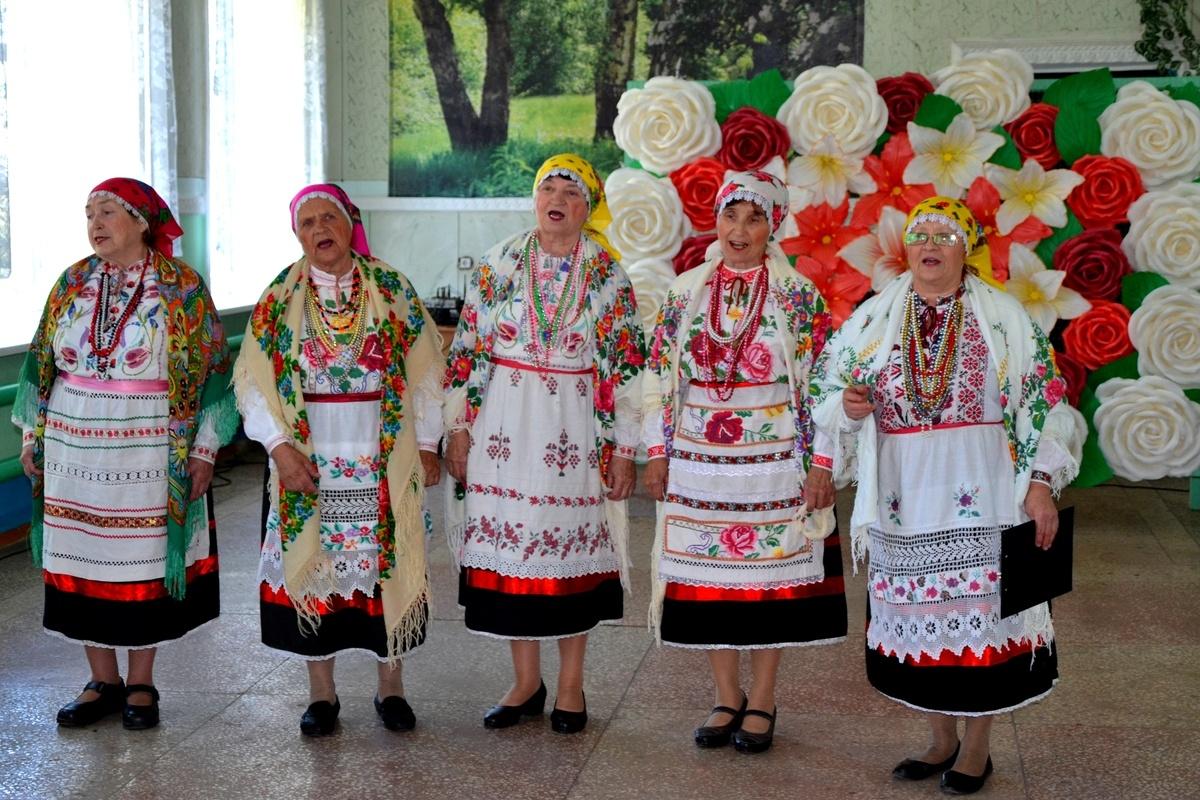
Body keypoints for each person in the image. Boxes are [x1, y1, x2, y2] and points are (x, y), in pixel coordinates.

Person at [809, 196, 1080, 794]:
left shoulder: (1005, 318)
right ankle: (940, 739)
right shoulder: (874, 318)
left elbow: (1047, 404)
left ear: (967, 249)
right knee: (918, 618)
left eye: (944, 235)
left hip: (984, 488)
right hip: (904, 495)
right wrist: (848, 410)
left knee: (983, 617)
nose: (929, 244)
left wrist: (1039, 485)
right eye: (919, 234)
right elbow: (825, 393)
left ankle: (977, 748)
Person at [13, 177, 235, 730]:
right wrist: (30, 435)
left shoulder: (181, 286)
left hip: (147, 447)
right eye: (89, 212)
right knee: (80, 557)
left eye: (108, 211)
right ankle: (100, 679)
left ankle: (140, 682)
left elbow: (213, 373)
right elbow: (40, 364)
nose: (95, 222)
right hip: (72, 447)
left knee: (141, 561)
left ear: (141, 220)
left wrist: (205, 449)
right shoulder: (71, 283)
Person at [641, 170, 848, 754]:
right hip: (699, 462)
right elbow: (657, 377)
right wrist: (656, 454)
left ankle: (763, 698)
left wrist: (821, 464)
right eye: (731, 215)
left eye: (754, 218)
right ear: (715, 220)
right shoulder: (685, 293)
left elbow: (826, 386)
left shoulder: (798, 296)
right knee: (711, 584)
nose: (740, 229)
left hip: (775, 461)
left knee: (767, 586)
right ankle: (725, 695)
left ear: (772, 226)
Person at [443, 154, 645, 734]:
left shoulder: (608, 273)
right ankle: (526, 683)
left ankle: (573, 686)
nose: (557, 198)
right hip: (503, 427)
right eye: (547, 188)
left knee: (568, 559)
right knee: (512, 560)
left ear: (588, 208)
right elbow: (469, 350)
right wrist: (457, 428)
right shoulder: (499, 262)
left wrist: (625, 447)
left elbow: (628, 367)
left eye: (571, 191)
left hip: (573, 429)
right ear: (535, 200)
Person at [233, 183, 444, 737]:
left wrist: (426, 444)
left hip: (381, 457)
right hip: (308, 459)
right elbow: (254, 384)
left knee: (384, 569)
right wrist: (279, 449)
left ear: (350, 223)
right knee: (315, 567)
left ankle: (390, 686)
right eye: (308, 222)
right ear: (297, 234)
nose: (320, 229)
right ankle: (321, 694)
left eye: (330, 217)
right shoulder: (279, 298)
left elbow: (424, 374)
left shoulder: (392, 288)